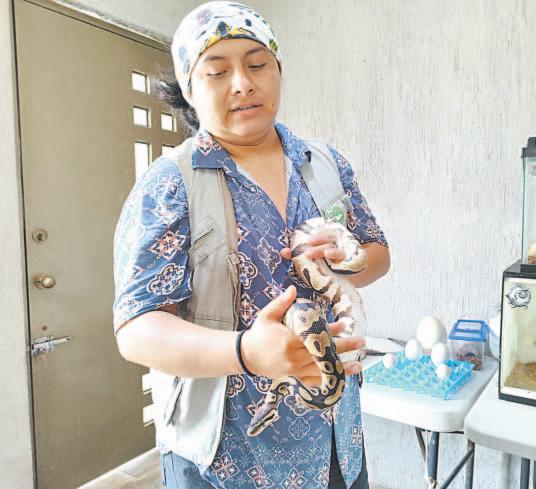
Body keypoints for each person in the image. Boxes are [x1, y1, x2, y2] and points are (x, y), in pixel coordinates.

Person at [112, 2, 390, 488]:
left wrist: (349, 260)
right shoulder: (169, 184)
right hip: (224, 456)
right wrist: (245, 352)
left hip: (334, 441)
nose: (242, 83)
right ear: (190, 89)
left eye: (258, 64)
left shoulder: (324, 163)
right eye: (217, 72)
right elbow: (137, 330)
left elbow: (377, 255)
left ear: (278, 70)